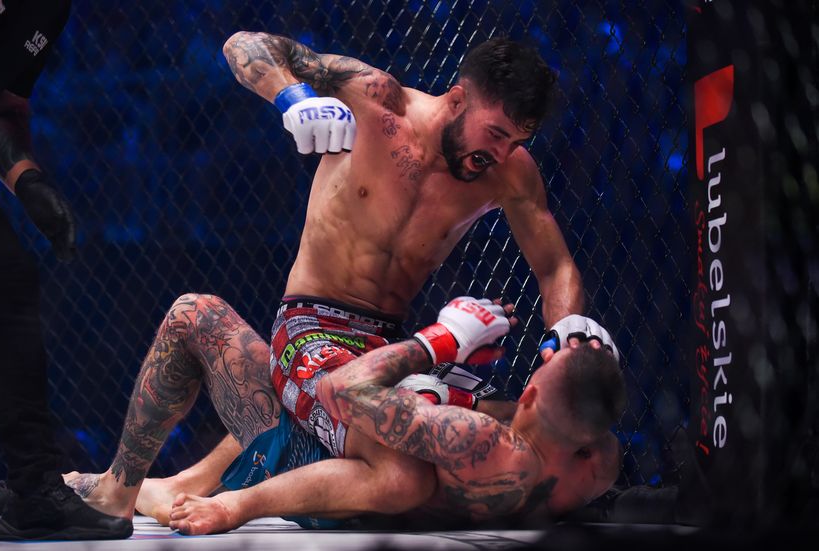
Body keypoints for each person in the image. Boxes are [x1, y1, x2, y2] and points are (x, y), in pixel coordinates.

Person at [64, 33, 620, 526]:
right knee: (401, 467)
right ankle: (137, 490)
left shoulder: (509, 173)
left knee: (517, 427)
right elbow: (245, 45)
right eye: (495, 133)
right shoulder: (378, 102)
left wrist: (570, 332)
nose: (499, 153)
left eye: (515, 142)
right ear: (457, 99)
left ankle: (182, 484)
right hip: (312, 329)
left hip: (386, 343)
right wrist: (290, 95)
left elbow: (554, 267)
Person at [166, 296, 626, 534]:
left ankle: (225, 500)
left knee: (402, 471)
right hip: (352, 468)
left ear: (530, 395)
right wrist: (593, 359)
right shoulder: (595, 466)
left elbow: (338, 390)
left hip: (317, 460)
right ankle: (187, 484)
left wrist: (443, 339)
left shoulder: (478, 440)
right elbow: (571, 409)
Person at [0, 0, 132, 541]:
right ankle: (34, 491)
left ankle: (33, 489)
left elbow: (0, 106)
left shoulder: (47, 7)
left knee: (6, 283)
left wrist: (29, 183)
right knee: (5, 280)